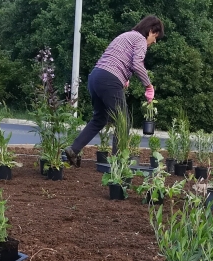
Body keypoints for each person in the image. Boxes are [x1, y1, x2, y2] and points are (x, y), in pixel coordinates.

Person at [64, 15, 163, 166]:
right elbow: (137, 63)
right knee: (123, 122)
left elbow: (117, 57)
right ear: (150, 31)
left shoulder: (126, 36)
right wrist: (148, 85)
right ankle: (118, 162)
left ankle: (73, 149)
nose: (154, 41)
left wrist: (124, 77)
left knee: (100, 119)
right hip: (109, 79)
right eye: (155, 36)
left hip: (96, 76)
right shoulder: (141, 40)